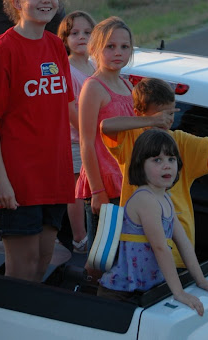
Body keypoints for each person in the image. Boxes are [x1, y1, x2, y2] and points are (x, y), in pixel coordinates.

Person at [101, 77, 208, 267]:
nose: (167, 120)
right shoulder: (130, 138)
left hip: (176, 243)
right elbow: (105, 126)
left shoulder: (180, 140)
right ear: (139, 113)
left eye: (171, 114)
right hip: (136, 243)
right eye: (161, 116)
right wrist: (149, 121)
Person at [0, 0, 75, 281]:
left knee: (42, 264)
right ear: (17, 2)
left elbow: (66, 111)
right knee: (22, 272)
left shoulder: (57, 46)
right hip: (17, 181)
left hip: (54, 178)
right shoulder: (3, 49)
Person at [98, 129, 208, 315]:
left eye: (171, 159)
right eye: (157, 160)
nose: (166, 165)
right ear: (139, 165)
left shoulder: (165, 199)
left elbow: (184, 244)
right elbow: (160, 247)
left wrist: (201, 280)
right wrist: (179, 292)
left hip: (145, 289)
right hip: (120, 292)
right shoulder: (145, 199)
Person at [75, 16, 134, 251]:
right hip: (104, 186)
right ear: (95, 49)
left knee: (123, 254)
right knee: (103, 256)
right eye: (110, 46)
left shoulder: (128, 86)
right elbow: (86, 143)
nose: (118, 52)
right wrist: (98, 191)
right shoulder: (93, 87)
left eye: (124, 47)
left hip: (127, 183)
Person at [57, 11, 96, 253]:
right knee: (76, 192)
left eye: (87, 33)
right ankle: (80, 238)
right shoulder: (68, 70)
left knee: (93, 189)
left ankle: (95, 234)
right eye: (75, 33)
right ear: (65, 39)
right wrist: (88, 134)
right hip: (76, 141)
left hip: (95, 141)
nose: (82, 37)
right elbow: (69, 110)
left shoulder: (94, 65)